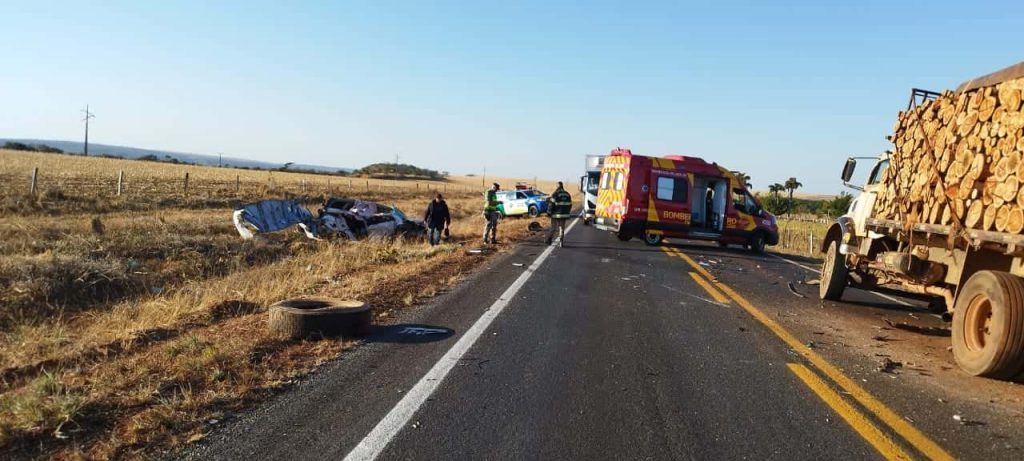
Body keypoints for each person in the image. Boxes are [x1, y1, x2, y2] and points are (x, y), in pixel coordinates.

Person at [546, 181, 572, 246]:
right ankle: (561, 241)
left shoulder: (555, 194)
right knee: (562, 228)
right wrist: (567, 212)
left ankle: (549, 240)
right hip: (564, 215)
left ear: (557, 186)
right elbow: (570, 204)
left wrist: (549, 212)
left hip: (555, 214)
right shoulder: (567, 194)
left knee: (553, 227)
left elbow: (551, 204)